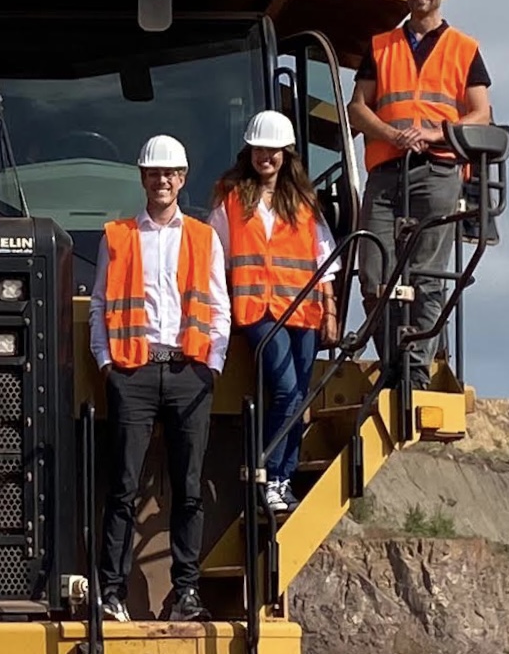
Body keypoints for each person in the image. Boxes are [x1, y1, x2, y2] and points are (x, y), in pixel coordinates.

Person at [89, 134, 231, 623]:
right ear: (143, 178)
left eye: (170, 173)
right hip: (134, 371)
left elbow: (219, 306)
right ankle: (111, 591)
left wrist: (212, 366)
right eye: (154, 173)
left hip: (189, 372)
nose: (162, 181)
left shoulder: (204, 237)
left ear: (182, 178)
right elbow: (99, 305)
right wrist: (106, 363)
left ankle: (185, 592)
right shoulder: (117, 236)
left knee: (188, 489)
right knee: (123, 488)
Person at [347, 0, 492, 390]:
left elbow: (481, 114)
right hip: (387, 171)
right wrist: (391, 134)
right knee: (375, 275)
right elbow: (358, 108)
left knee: (427, 276)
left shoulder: (464, 48)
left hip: (438, 171)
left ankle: (413, 372)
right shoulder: (381, 46)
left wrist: (434, 134)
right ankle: (394, 364)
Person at [209, 110, 340, 513]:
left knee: (300, 396)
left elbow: (324, 260)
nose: (265, 157)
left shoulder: (304, 201)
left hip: (304, 310)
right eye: (259, 149)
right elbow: (215, 256)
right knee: (285, 390)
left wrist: (331, 311)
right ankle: (266, 474)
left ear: (286, 153)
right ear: (249, 151)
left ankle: (282, 479)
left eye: (273, 150)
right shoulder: (231, 198)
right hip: (258, 311)